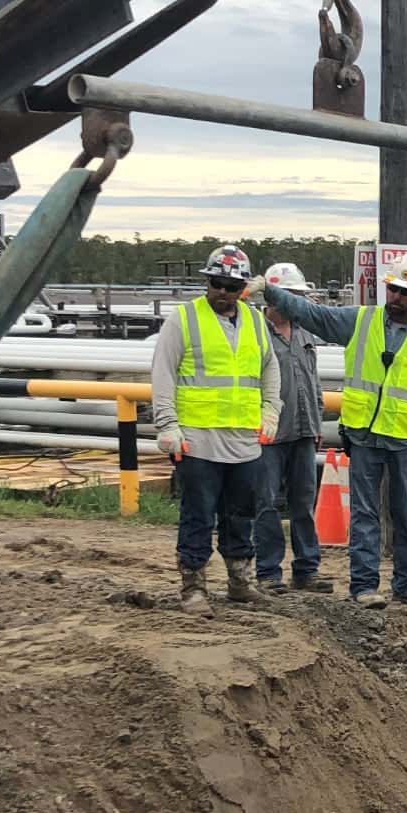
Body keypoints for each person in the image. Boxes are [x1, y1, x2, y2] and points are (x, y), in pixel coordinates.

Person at [247, 258, 407, 607]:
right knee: (364, 514)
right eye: (395, 289)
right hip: (363, 434)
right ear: (388, 288)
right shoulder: (359, 321)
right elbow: (310, 314)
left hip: (404, 438)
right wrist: (271, 291)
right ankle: (364, 586)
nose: (399, 297)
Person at [150, 245, 281, 614]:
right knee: (198, 514)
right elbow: (163, 372)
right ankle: (194, 587)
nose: (222, 291)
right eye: (216, 283)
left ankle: (240, 581)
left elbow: (269, 367)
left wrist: (271, 409)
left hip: (244, 439)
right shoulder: (184, 319)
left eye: (230, 285)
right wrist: (167, 424)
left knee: (241, 513)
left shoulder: (255, 321)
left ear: (242, 286)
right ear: (207, 282)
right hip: (198, 439)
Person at [255, 261, 327, 593]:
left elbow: (312, 380)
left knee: (303, 502)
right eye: (292, 296)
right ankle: (268, 572)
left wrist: (317, 420)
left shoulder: (304, 332)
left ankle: (306, 569)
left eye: (300, 296)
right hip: (268, 433)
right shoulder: (254, 332)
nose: (296, 303)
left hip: (302, 430)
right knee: (266, 502)